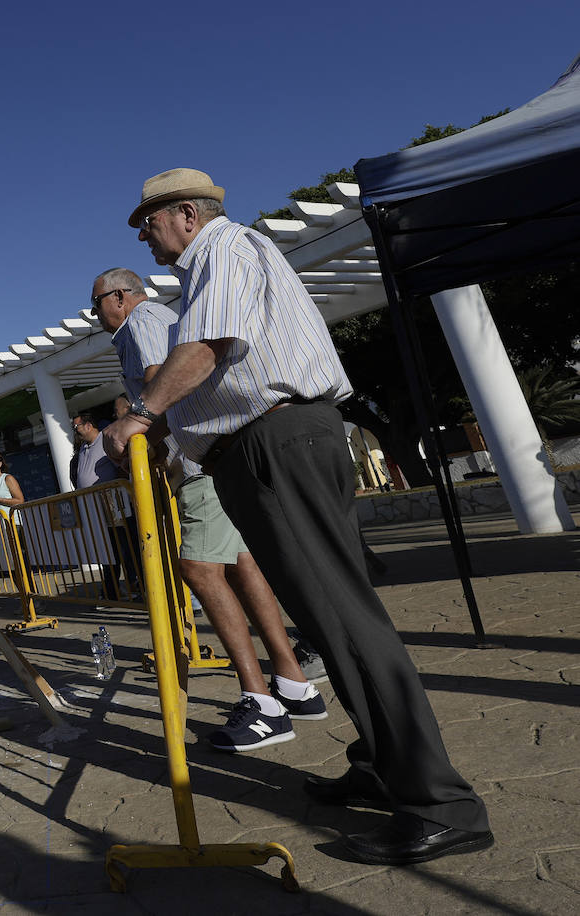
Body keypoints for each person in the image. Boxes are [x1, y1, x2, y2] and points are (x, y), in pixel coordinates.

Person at [104, 169, 490, 864]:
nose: (144, 234)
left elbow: (207, 348)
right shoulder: (208, 265)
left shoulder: (222, 248)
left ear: (187, 214)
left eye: (149, 222)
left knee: (341, 618)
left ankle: (440, 803)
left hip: (276, 441)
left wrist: (141, 415)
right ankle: (382, 762)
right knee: (326, 618)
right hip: (263, 446)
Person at [92, 265, 324, 751]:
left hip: (197, 464)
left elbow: (162, 385)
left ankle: (261, 703)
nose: (96, 317)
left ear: (118, 297)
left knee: (198, 567)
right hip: (204, 461)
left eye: (97, 305)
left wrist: (138, 439)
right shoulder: (154, 321)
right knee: (242, 568)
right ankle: (293, 682)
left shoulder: (143, 322)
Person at [72, 408, 138, 601]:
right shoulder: (83, 449)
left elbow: (122, 469)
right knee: (107, 549)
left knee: (125, 546)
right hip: (94, 506)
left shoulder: (105, 441)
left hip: (113, 502)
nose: (74, 430)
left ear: (88, 425)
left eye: (76, 426)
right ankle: (111, 590)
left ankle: (135, 585)